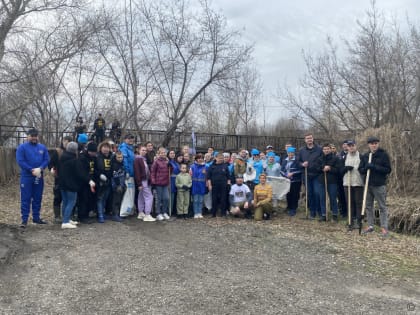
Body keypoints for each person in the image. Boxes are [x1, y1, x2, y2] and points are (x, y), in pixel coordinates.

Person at [16, 128, 50, 227]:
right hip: (27, 177)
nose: (34, 138)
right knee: (26, 198)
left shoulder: (42, 147)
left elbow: (46, 159)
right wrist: (31, 169)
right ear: (28, 136)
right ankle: (24, 220)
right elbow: (20, 161)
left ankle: (36, 218)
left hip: (39, 176)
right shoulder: (22, 148)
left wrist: (41, 168)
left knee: (37, 197)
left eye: (35, 136)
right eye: (32, 136)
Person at [359, 136, 392, 236]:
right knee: (368, 206)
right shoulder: (365, 156)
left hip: (379, 185)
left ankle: (384, 228)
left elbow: (387, 170)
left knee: (382, 207)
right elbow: (360, 169)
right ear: (369, 145)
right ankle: (370, 226)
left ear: (378, 144)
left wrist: (374, 167)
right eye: (372, 143)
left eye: (375, 143)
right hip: (368, 185)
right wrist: (365, 168)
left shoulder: (383, 155)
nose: (374, 145)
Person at [58, 142, 93, 229]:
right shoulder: (75, 160)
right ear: (75, 150)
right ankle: (65, 222)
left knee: (65, 202)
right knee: (71, 202)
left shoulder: (62, 158)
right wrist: (89, 180)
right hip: (71, 185)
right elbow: (81, 173)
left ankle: (66, 219)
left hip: (62, 184)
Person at [297, 133, 323, 220]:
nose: (309, 140)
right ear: (305, 140)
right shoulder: (302, 150)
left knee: (317, 193)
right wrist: (302, 164)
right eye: (307, 138)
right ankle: (312, 212)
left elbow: (322, 160)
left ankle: (319, 211)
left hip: (317, 175)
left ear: (313, 139)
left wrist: (317, 166)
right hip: (306, 175)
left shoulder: (319, 149)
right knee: (310, 194)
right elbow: (298, 162)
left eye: (310, 138)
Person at [48, 135, 73, 223]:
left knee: (69, 198)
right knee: (58, 197)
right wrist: (51, 169)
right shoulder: (58, 152)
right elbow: (50, 163)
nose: (66, 143)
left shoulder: (73, 153)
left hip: (70, 179)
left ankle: (68, 215)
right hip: (59, 178)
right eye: (65, 141)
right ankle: (57, 216)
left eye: (68, 141)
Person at [315, 143, 341, 222]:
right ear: (322, 150)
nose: (326, 150)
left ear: (330, 149)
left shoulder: (335, 158)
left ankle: (335, 215)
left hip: (332, 181)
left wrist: (330, 168)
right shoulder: (319, 158)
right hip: (321, 181)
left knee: (333, 198)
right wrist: (323, 168)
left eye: (327, 149)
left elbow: (338, 170)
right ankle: (324, 214)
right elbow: (316, 168)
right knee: (322, 198)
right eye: (324, 149)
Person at [341, 140, 364, 229]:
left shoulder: (361, 156)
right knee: (349, 202)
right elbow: (340, 170)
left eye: (352, 145)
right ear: (347, 147)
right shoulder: (344, 157)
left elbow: (364, 169)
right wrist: (345, 169)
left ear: (356, 146)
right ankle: (350, 221)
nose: (351, 147)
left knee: (358, 202)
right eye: (349, 146)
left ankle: (359, 221)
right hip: (347, 183)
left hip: (358, 182)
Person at [77, 142, 98, 224]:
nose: (94, 153)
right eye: (93, 152)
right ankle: (82, 216)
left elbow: (95, 169)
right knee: (83, 199)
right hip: (84, 182)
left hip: (92, 180)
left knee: (90, 198)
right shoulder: (82, 158)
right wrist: (88, 180)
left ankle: (87, 214)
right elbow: (81, 172)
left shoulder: (94, 158)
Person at [134, 145, 156, 222]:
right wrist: (139, 183)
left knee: (141, 196)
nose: (144, 152)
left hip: (146, 180)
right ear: (139, 151)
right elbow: (137, 172)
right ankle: (147, 214)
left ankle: (140, 212)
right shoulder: (138, 159)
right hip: (143, 181)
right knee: (149, 197)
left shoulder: (143, 159)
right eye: (142, 150)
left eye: (145, 150)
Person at [207, 152, 230, 217]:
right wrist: (209, 185)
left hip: (223, 185)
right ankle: (213, 213)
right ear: (215, 158)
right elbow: (208, 177)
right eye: (220, 158)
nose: (221, 159)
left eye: (222, 158)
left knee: (223, 199)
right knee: (214, 199)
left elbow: (228, 176)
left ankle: (223, 213)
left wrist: (228, 184)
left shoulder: (225, 166)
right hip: (214, 185)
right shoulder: (211, 166)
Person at [281, 147, 302, 216]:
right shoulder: (285, 160)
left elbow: (301, 170)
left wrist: (293, 173)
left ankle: (293, 208)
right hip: (287, 181)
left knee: (295, 194)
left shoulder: (297, 160)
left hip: (296, 181)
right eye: (289, 153)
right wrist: (285, 175)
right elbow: (282, 170)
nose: (290, 154)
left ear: (294, 153)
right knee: (288, 194)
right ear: (287, 153)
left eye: (292, 153)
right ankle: (289, 207)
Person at [151, 147, 171, 221]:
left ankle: (164, 212)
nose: (163, 154)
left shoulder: (167, 161)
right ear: (159, 154)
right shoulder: (156, 161)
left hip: (165, 183)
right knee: (158, 199)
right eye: (162, 153)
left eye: (164, 153)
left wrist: (169, 163)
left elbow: (170, 170)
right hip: (158, 182)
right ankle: (158, 213)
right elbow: (153, 172)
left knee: (166, 198)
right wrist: (153, 181)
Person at [96, 141, 113, 223]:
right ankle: (100, 215)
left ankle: (103, 212)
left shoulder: (111, 156)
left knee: (106, 198)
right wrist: (100, 175)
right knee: (100, 198)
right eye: (104, 147)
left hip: (109, 179)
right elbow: (95, 168)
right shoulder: (98, 157)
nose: (106, 149)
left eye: (107, 147)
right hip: (100, 180)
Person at [110, 151, 126, 222]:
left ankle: (118, 213)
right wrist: (118, 185)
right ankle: (114, 214)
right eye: (118, 157)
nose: (120, 159)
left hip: (122, 184)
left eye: (121, 157)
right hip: (116, 185)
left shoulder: (121, 164)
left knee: (120, 200)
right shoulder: (114, 165)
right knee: (116, 200)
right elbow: (115, 177)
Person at [190, 153, 207, 219]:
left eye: (201, 158)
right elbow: (190, 175)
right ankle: (195, 213)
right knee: (195, 200)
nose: (200, 159)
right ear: (196, 159)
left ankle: (200, 212)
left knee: (200, 200)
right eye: (199, 158)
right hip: (194, 185)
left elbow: (207, 176)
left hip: (202, 185)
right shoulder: (192, 166)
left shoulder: (205, 166)